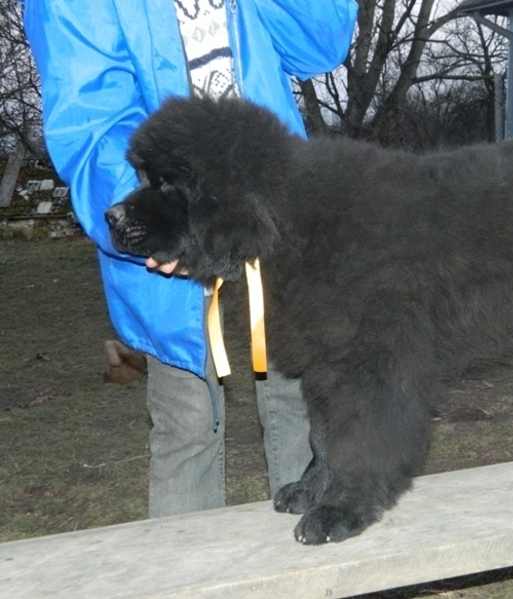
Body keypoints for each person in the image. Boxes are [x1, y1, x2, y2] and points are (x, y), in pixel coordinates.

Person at [24, 0, 357, 517]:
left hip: (275, 222)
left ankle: (311, 572)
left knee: (304, 406)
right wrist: (162, 222)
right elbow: (90, 119)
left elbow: (320, 45)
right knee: (189, 422)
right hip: (175, 237)